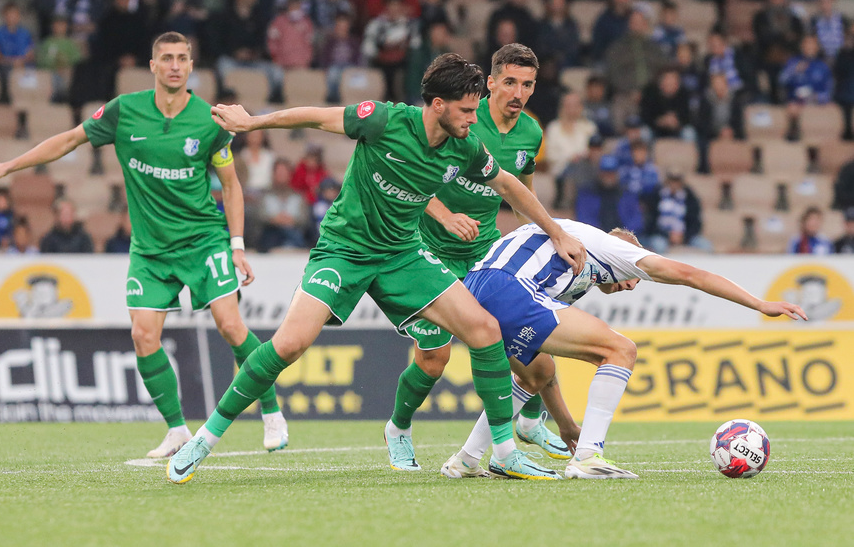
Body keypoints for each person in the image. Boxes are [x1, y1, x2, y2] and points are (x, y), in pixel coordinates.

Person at [167, 52, 588, 483]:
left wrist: (556, 232)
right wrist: (253, 122)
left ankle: (502, 452)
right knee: (289, 345)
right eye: (465, 110)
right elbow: (315, 116)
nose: (472, 118)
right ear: (437, 105)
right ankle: (206, 438)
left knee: (484, 330)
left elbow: (507, 184)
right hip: (345, 249)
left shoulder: (465, 145)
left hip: (403, 253)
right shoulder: (383, 120)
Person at [0, 31, 288, 458]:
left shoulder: (209, 121)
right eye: (166, 58)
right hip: (151, 249)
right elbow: (68, 141)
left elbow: (230, 187)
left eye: (182, 59)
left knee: (230, 324)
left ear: (191, 67)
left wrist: (238, 245)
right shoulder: (124, 112)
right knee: (143, 335)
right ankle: (177, 430)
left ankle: (270, 408)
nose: (175, 65)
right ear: (152, 66)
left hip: (203, 241)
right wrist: (9, 165)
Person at [441, 220, 806, 479]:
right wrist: (758, 304)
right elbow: (692, 275)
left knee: (539, 371)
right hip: (506, 287)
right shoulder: (615, 249)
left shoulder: (574, 260)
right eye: (633, 277)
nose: (633, 285)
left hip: (473, 290)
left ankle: (467, 459)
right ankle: (588, 456)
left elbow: (544, 375)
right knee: (620, 349)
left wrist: (567, 424)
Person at [384, 44, 571, 472]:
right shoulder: (462, 117)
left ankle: (526, 421)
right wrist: (445, 215)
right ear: (490, 83)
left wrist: (546, 234)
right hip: (426, 250)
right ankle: (398, 428)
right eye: (509, 82)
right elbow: (410, 173)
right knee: (435, 358)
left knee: (531, 345)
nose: (518, 92)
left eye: (527, 84)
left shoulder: (531, 133)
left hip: (485, 252)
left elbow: (520, 191)